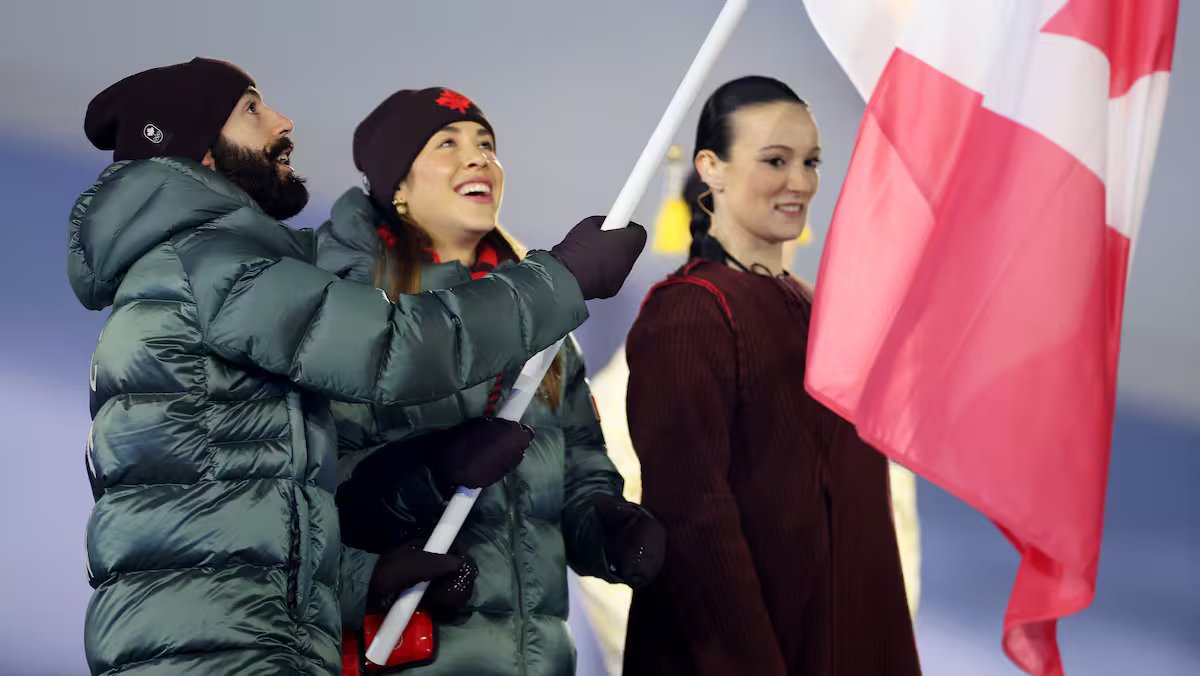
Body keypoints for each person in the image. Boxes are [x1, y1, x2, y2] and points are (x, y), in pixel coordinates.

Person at [70, 60, 645, 675]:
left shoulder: (200, 270)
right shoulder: (213, 266)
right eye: (252, 109)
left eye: (486, 144)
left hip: (243, 636)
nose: (284, 122)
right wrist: (560, 280)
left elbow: (257, 502)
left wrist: (368, 576)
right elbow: (390, 349)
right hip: (219, 646)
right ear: (198, 150)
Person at [318, 87, 665, 676]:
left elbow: (579, 463)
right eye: (446, 144)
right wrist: (433, 471)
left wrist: (605, 524)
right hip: (418, 658)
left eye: (486, 145)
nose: (478, 158)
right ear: (397, 186)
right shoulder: (357, 312)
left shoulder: (548, 321)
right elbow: (327, 490)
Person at [622, 75, 921, 675]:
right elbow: (692, 521)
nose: (801, 182)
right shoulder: (688, 311)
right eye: (775, 160)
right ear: (711, 168)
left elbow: (864, 523)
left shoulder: (819, 314)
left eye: (810, 161)